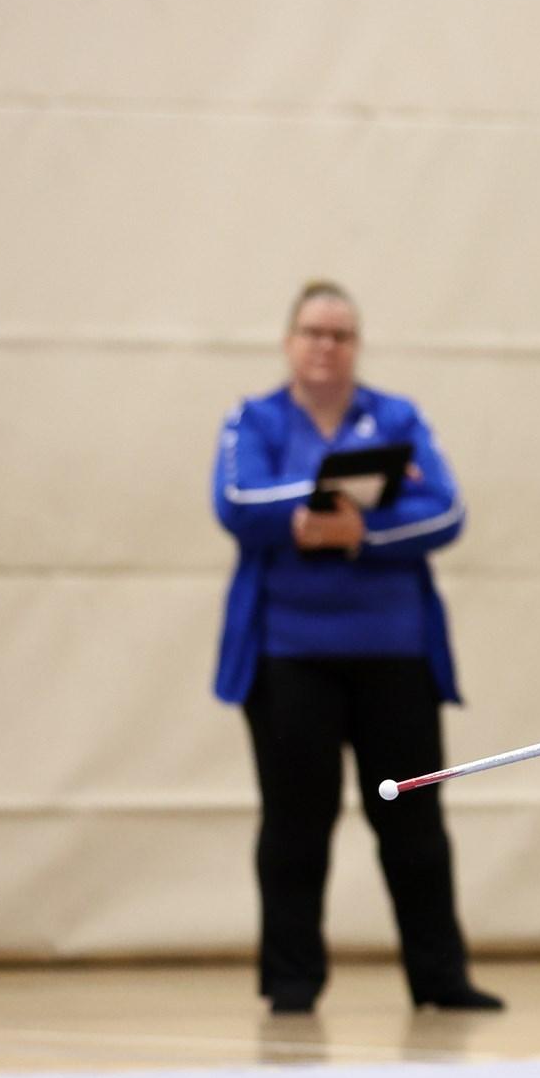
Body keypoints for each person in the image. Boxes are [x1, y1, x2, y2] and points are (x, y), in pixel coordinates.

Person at [213, 281, 501, 1016]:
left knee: (415, 824)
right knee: (295, 825)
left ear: (357, 347)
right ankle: (291, 984)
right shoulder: (254, 419)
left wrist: (360, 532)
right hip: (289, 658)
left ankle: (440, 979)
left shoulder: (398, 418)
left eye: (340, 335)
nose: (326, 347)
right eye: (313, 332)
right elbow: (238, 502)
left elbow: (445, 510)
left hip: (395, 656)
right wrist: (335, 495)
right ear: (289, 342)